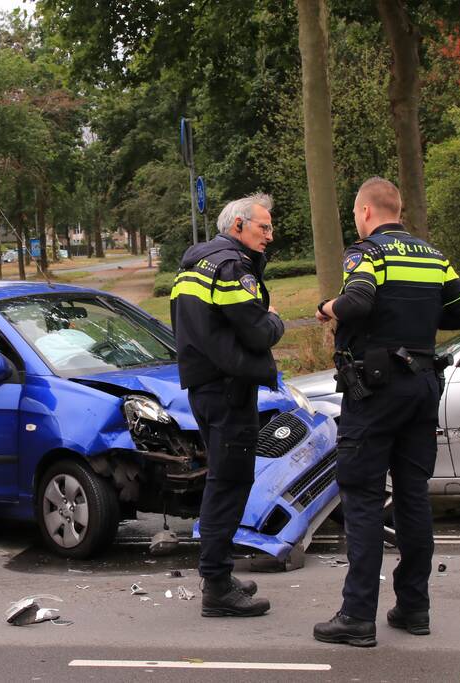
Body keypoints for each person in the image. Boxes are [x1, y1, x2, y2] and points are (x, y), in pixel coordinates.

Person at [313, 178, 460, 647]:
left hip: (375, 391)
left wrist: (327, 307)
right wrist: (417, 317)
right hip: (422, 386)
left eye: (355, 213)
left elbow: (357, 301)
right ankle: (413, 607)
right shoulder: (432, 256)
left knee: (363, 498)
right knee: (412, 498)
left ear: (366, 211)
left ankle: (357, 616)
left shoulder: (367, 253)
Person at [169, 193, 284, 618]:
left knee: (223, 480)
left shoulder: (192, 265)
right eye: (263, 227)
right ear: (238, 226)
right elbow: (256, 331)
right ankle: (217, 586)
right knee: (230, 484)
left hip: (205, 387)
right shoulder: (232, 266)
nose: (269, 236)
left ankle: (219, 576)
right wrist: (275, 318)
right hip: (230, 389)